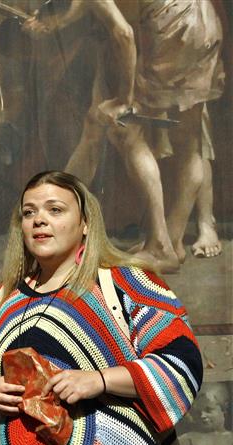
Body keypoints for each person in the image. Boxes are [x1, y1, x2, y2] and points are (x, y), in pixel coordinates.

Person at [0, 171, 203, 445]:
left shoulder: (126, 283)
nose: (39, 220)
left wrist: (98, 380)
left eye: (55, 209)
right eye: (29, 212)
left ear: (86, 223)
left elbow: (181, 362)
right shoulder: (4, 301)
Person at [25, 0, 225, 270]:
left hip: (172, 29)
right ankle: (172, 243)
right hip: (201, 20)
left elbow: (124, 33)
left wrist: (125, 99)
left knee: (126, 132)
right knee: (189, 142)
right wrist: (55, 21)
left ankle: (160, 246)